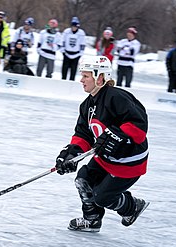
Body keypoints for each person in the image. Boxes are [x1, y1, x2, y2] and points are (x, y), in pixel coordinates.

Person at [55, 55, 149, 232]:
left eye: (85, 76)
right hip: (105, 158)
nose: (81, 80)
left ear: (100, 77)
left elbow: (139, 124)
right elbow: (83, 134)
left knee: (103, 197)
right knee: (83, 180)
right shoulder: (87, 105)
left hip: (128, 161)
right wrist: (70, 154)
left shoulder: (117, 97)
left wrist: (117, 135)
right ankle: (92, 220)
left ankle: (131, 206)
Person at [59, 16, 86, 81]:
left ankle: (71, 83)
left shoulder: (81, 33)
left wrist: (80, 53)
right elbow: (63, 41)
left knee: (73, 70)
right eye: (73, 26)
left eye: (75, 26)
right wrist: (63, 50)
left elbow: (82, 43)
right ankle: (63, 81)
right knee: (64, 69)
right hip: (67, 53)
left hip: (76, 55)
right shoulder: (66, 31)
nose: (74, 28)